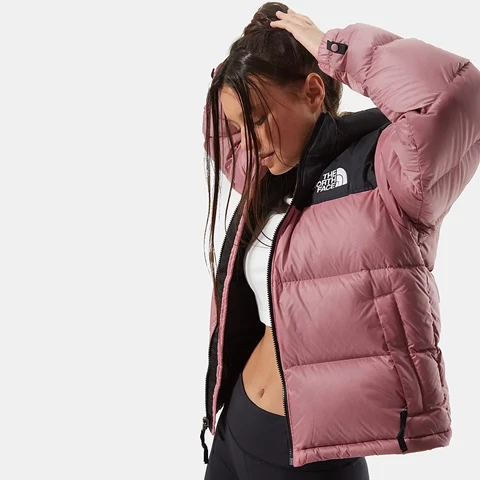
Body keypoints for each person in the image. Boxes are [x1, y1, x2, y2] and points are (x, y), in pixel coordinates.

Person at [200, 3, 480, 479]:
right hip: (235, 427)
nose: (247, 139)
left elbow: (458, 98)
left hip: (312, 457)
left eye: (258, 118)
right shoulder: (267, 177)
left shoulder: (388, 172)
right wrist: (245, 57)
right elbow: (218, 131)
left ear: (313, 91)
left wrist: (334, 48)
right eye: (240, 126)